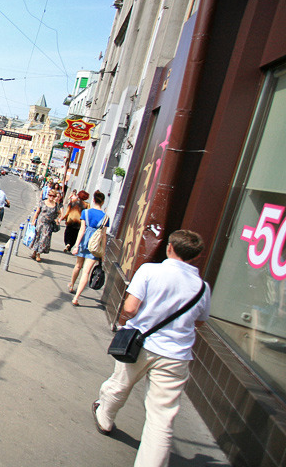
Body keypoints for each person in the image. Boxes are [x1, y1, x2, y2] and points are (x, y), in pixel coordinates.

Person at [92, 229, 211, 467]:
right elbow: (200, 321)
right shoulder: (202, 288)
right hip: (176, 355)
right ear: (195, 257)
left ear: (169, 247)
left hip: (140, 344)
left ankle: (105, 418)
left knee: (120, 385)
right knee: (162, 418)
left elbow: (131, 308)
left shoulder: (150, 271)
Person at [69, 190, 107, 305]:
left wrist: (76, 245)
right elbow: (104, 236)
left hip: (84, 242)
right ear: (103, 202)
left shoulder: (86, 212)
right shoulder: (105, 217)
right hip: (95, 246)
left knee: (78, 265)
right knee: (86, 272)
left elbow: (82, 230)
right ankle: (76, 297)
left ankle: (71, 285)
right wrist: (103, 253)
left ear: (93, 200)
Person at [29, 187, 61, 262]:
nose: (51, 197)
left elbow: (59, 213)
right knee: (37, 237)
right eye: (50, 195)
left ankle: (38, 254)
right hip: (40, 223)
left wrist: (56, 219)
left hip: (48, 224)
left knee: (44, 239)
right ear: (48, 195)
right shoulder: (43, 202)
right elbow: (37, 212)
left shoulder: (56, 205)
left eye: (53, 196)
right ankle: (34, 252)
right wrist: (33, 221)